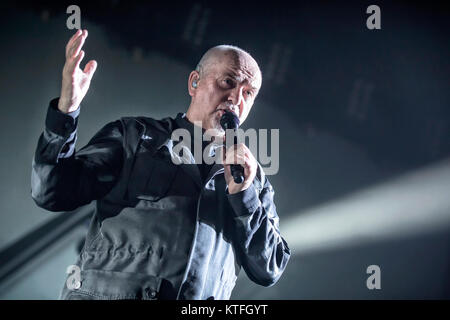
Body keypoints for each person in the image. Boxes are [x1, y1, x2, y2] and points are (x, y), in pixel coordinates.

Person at [31, 29, 290, 300]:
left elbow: (269, 269)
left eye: (248, 93)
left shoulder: (253, 180)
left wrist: (245, 196)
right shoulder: (133, 136)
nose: (236, 100)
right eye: (228, 82)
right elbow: (51, 192)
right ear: (194, 83)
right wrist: (66, 112)